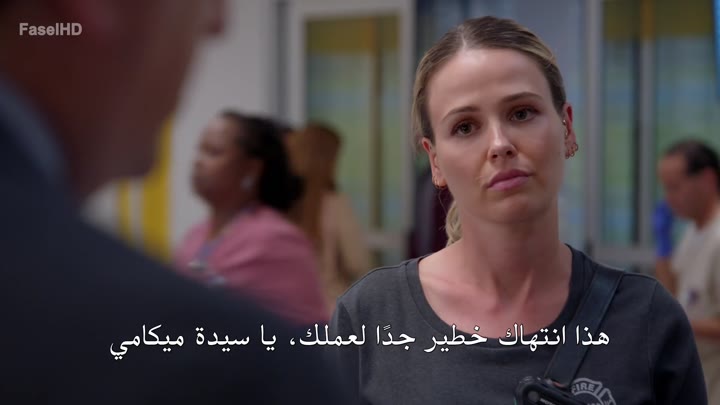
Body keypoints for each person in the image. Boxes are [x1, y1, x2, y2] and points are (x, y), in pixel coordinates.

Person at [328, 16, 706, 404]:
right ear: (435, 161)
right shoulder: (371, 317)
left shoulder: (646, 318)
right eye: (465, 127)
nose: (499, 144)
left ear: (567, 128)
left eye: (521, 113)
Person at [0, 1, 349, 403]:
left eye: (213, 152)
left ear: (250, 169)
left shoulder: (271, 244)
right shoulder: (227, 373)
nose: (220, 21)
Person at [174, 111, 328, 326]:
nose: (198, 161)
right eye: (200, 150)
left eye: (213, 152)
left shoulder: (276, 240)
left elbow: (311, 329)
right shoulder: (195, 236)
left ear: (251, 168)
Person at [655, 139, 720, 403]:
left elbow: (678, 314)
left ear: (707, 179)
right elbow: (675, 295)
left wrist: (678, 324)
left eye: (675, 187)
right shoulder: (694, 230)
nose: (668, 198)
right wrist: (663, 248)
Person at [286, 123, 370, 313]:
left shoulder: (278, 206)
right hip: (327, 310)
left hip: (285, 312)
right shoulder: (335, 204)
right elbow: (356, 262)